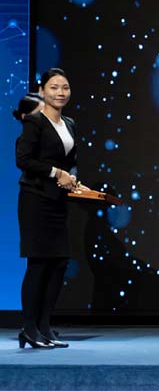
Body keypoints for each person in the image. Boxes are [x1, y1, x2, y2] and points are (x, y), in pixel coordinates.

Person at [15, 69, 77, 349]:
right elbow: (23, 160)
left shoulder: (70, 124)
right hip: (35, 199)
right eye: (54, 87)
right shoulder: (35, 122)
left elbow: (70, 161)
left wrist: (71, 177)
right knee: (39, 263)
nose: (60, 92)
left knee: (59, 263)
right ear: (42, 91)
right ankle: (29, 328)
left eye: (65, 87)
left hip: (58, 201)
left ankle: (44, 327)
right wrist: (55, 173)